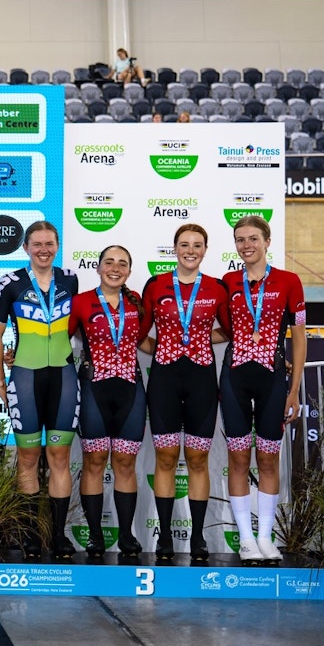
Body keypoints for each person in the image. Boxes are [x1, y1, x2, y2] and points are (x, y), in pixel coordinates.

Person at [140, 224, 229, 562]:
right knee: (165, 458)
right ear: (174, 248)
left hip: (202, 381)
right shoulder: (156, 285)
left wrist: (202, 342)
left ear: (205, 250)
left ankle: (196, 539)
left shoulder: (217, 288)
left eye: (197, 245)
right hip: (163, 379)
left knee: (197, 460)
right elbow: (139, 332)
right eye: (184, 244)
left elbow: (231, 330)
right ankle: (164, 537)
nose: (190, 250)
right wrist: (163, 346)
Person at [221, 215, 306, 565]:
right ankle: (245, 540)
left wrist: (294, 389)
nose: (246, 246)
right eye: (240, 240)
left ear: (267, 241)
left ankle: (266, 537)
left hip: (273, 378)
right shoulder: (227, 281)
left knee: (269, 459)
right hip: (234, 377)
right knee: (238, 459)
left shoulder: (289, 281)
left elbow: (299, 337)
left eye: (253, 239)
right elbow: (220, 330)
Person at [0, 221, 78, 559]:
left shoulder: (70, 279)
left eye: (49, 244)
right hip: (24, 377)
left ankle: (57, 537)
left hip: (64, 378)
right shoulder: (9, 283)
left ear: (57, 246)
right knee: (28, 457)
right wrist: (0, 381)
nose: (44, 250)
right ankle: (29, 536)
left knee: (59, 457)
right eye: (37, 244)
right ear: (25, 247)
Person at [69, 245, 150, 559]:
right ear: (99, 267)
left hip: (130, 389)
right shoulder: (81, 302)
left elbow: (143, 341)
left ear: (129, 271)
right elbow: (60, 339)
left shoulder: (136, 303)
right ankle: (95, 535)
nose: (115, 268)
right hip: (93, 388)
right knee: (94, 462)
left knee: (126, 464)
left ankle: (127, 535)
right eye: (109, 262)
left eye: (122, 264)